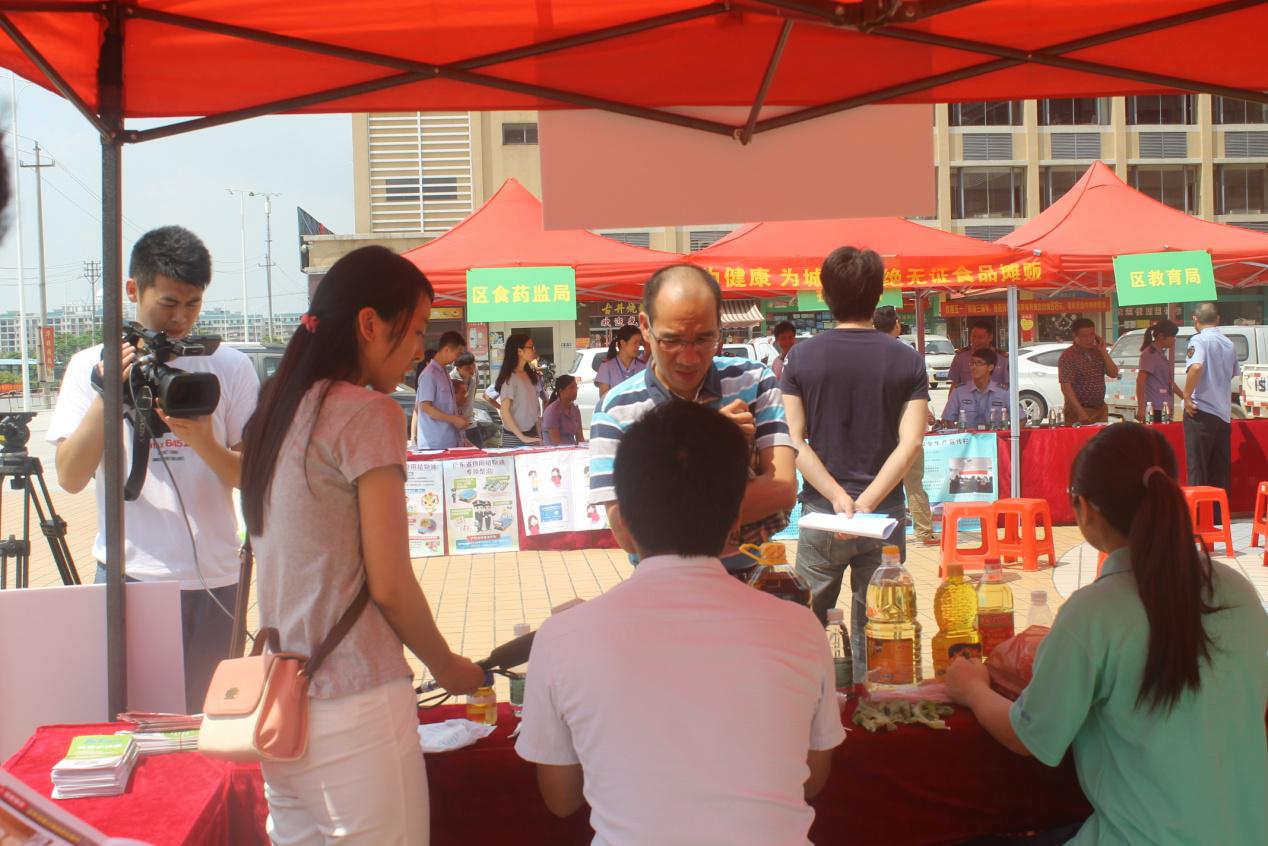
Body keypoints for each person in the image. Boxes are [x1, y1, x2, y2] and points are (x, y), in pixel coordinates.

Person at [240, 245, 485, 843]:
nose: (420, 349)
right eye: (417, 329)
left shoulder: (278, 407)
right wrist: (448, 666)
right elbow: (391, 583)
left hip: (282, 701)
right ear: (370, 324)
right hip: (355, 704)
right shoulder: (366, 412)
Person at [518, 401, 844, 844]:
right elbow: (812, 778)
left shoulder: (561, 639)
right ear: (736, 519)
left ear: (622, 521)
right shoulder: (801, 629)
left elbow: (561, 799)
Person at [946, 422, 1267, 846]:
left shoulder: (1093, 613)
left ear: (1085, 508)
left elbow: (1030, 736)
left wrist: (971, 689)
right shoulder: (1239, 591)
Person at [48, 225, 260, 713]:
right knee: (130, 717)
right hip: (130, 576)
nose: (180, 318)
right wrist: (109, 395)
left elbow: (252, 478)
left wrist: (203, 440)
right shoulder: (90, 366)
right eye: (168, 303)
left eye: (193, 304)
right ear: (133, 290)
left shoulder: (229, 366)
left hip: (215, 576)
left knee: (211, 719)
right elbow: (70, 477)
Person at [589, 264, 797, 575]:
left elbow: (782, 489)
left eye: (704, 339)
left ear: (719, 326)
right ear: (645, 327)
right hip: (662, 587)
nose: (689, 357)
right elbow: (627, 532)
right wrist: (712, 438)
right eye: (672, 340)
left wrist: (662, 506)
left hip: (749, 578)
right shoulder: (615, 409)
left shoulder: (754, 380)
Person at [781, 247, 929, 678]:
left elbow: (793, 439)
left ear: (826, 294)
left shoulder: (801, 357)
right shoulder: (907, 358)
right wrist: (867, 502)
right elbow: (911, 441)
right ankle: (874, 707)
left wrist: (838, 497)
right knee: (880, 631)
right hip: (884, 516)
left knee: (806, 627)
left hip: (822, 514)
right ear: (879, 294)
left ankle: (813, 705)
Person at [873, 306, 935, 546]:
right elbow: (919, 395)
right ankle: (924, 533)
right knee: (914, 484)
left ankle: (875, 531)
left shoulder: (866, 354)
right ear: (897, 324)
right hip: (908, 429)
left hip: (877, 432)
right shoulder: (909, 355)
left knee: (877, 483)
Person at [1183, 302, 1239, 493]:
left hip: (1201, 411)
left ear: (1195, 319)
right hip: (1223, 414)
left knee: (1198, 469)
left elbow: (1196, 366)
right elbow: (1231, 374)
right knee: (1219, 472)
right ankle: (1218, 510)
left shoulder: (1199, 340)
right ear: (1218, 319)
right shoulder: (1229, 344)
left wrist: (1186, 396)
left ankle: (1198, 510)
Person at [1058, 318, 1120, 424]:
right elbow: (1066, 388)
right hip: (1080, 410)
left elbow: (1113, 373)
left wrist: (1104, 352)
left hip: (1100, 409)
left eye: (1092, 335)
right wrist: (1080, 412)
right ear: (1075, 336)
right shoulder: (1068, 356)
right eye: (1084, 336)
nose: (1089, 339)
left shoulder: (1098, 352)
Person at [412, 330, 467, 449]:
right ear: (446, 350)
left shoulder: (443, 371)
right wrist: (453, 419)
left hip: (448, 439)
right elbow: (425, 407)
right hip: (434, 443)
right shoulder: (430, 374)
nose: (457, 358)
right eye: (457, 353)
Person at [940, 348, 1011, 428]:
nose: (974, 367)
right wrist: (959, 433)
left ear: (990, 367)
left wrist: (1007, 434)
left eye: (979, 363)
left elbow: (1020, 418)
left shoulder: (1003, 392)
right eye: (972, 363)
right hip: (968, 435)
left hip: (995, 435)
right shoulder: (959, 391)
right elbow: (948, 419)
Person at [494, 333, 543, 446]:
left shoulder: (531, 375)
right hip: (514, 437)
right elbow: (504, 411)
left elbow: (534, 409)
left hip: (532, 433)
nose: (534, 350)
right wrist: (522, 437)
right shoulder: (510, 377)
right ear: (519, 351)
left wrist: (539, 435)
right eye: (530, 347)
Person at [1136, 319, 1183, 423]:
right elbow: (1140, 381)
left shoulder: (1160, 354)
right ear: (1161, 336)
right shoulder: (1149, 354)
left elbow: (1169, 383)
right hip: (1153, 408)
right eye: (1173, 336)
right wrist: (1141, 407)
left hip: (1163, 407)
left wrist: (1184, 397)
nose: (1174, 339)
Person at [944, 318, 1006, 391]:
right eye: (973, 336)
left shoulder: (1002, 359)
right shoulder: (960, 358)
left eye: (980, 337)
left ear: (990, 337)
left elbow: (1008, 386)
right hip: (967, 397)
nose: (976, 340)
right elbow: (954, 385)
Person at [595, 324, 646, 402]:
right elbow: (604, 399)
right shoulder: (606, 367)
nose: (638, 346)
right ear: (623, 343)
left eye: (639, 343)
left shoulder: (643, 367)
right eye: (635, 343)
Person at [451, 352, 483, 447]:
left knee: (479, 450)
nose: (471, 370)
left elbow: (475, 388)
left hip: (471, 422)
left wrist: (470, 405)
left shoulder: (475, 371)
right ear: (458, 368)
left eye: (473, 366)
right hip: (457, 427)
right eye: (467, 368)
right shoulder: (450, 379)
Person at [542, 374, 585, 446]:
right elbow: (556, 443)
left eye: (576, 387)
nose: (575, 391)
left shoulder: (575, 410)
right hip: (556, 451)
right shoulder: (552, 411)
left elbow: (580, 438)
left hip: (572, 449)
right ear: (561, 391)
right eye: (571, 388)